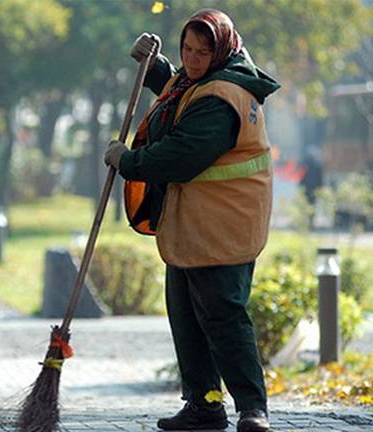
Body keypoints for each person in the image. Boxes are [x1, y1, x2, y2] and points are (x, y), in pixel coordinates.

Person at [104, 9, 279, 432]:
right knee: (186, 315)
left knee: (223, 314)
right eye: (187, 49)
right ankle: (204, 404)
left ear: (221, 51)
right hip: (193, 223)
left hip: (221, 225)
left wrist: (128, 161)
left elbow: (182, 153)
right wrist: (154, 67)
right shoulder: (205, 80)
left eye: (203, 51)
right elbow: (179, 94)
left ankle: (252, 408)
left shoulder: (222, 98)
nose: (193, 59)